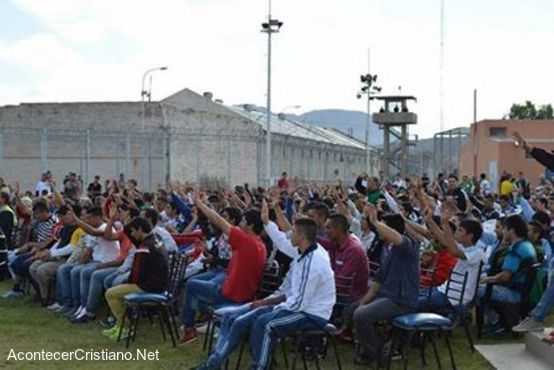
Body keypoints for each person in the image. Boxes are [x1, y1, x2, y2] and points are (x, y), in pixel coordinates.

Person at [192, 211, 335, 370]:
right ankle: (213, 364)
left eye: (293, 232)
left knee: (265, 324)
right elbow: (282, 242)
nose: (290, 235)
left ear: (301, 236)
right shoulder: (303, 251)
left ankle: (259, 367)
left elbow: (300, 303)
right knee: (234, 318)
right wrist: (268, 222)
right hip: (293, 305)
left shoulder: (314, 261)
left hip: (311, 314)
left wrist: (270, 307)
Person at [179, 190, 267, 345]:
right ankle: (212, 322)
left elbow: (218, 220)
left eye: (243, 222)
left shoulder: (246, 240)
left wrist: (200, 204)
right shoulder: (259, 243)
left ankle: (189, 329)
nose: (239, 225)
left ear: (251, 225)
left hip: (233, 296)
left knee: (192, 284)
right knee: (202, 281)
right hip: (240, 292)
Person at [352, 206, 419, 365]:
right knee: (353, 308)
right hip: (387, 296)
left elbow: (399, 238)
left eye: (382, 226)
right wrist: (363, 301)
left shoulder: (409, 246)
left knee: (361, 315)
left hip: (401, 301)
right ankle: (376, 345)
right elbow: (378, 282)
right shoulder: (389, 250)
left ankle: (375, 353)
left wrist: (374, 221)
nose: (377, 229)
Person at [103, 217, 169, 340]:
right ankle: (121, 325)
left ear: (140, 230)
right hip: (160, 283)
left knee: (111, 293)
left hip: (149, 287)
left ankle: (125, 327)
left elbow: (136, 274)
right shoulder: (156, 239)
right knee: (119, 288)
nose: (131, 234)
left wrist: (128, 283)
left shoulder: (144, 248)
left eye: (133, 231)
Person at [479, 215, 538, 335]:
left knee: (476, 290)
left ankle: (496, 322)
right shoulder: (527, 245)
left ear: (511, 230)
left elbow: (505, 276)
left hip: (513, 293)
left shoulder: (516, 249)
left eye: (505, 228)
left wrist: (487, 279)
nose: (503, 232)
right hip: (523, 292)